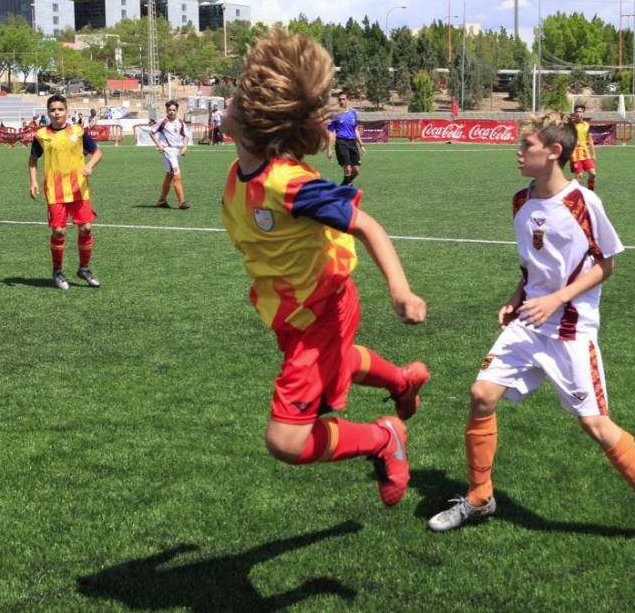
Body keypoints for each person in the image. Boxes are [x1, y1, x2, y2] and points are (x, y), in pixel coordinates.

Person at [427, 110, 635, 557]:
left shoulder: (584, 202)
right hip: (529, 321)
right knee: (482, 394)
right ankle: (480, 497)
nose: (518, 152)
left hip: (570, 328)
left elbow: (607, 265)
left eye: (526, 146)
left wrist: (557, 299)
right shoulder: (519, 202)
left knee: (595, 424)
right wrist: (517, 296)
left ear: (553, 152)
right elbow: (531, 268)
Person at [219, 27, 430, 507]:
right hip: (291, 312)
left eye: (235, 100)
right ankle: (402, 380)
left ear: (255, 126)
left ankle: (384, 438)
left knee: (287, 441)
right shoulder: (240, 172)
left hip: (321, 309)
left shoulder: (290, 186)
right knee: (341, 362)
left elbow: (367, 226)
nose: (226, 102)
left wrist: (400, 291)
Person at [27, 94, 103, 290]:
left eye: (60, 109)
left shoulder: (78, 131)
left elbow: (97, 152)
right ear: (48, 113)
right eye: (53, 110)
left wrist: (90, 166)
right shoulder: (42, 135)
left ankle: (84, 269)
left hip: (79, 189)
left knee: (86, 228)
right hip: (54, 191)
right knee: (59, 231)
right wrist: (33, 181)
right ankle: (58, 271)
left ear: (67, 111)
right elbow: (33, 159)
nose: (56, 113)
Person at [149, 99, 191, 209]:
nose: (171, 112)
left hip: (176, 151)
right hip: (168, 151)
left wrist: (185, 147)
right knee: (177, 176)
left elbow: (186, 135)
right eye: (169, 110)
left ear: (177, 110)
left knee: (169, 175)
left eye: (173, 110)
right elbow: (152, 132)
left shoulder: (180, 122)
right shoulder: (163, 121)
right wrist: (159, 145)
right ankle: (182, 202)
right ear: (166, 110)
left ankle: (161, 201)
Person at [326, 91, 366, 186]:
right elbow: (331, 132)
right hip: (341, 142)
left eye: (343, 99)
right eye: (340, 99)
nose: (341, 101)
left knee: (356, 170)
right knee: (348, 169)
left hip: (352, 142)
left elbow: (355, 129)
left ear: (347, 100)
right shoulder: (334, 115)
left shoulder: (353, 113)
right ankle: (347, 189)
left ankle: (344, 186)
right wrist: (329, 149)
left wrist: (361, 144)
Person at [571, 104, 597, 191]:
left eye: (580, 112)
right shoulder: (571, 125)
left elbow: (590, 140)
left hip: (585, 153)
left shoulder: (587, 125)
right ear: (574, 113)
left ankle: (591, 193)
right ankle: (577, 195)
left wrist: (593, 154)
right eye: (577, 112)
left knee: (593, 174)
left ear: (583, 113)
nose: (578, 114)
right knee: (579, 175)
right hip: (575, 154)